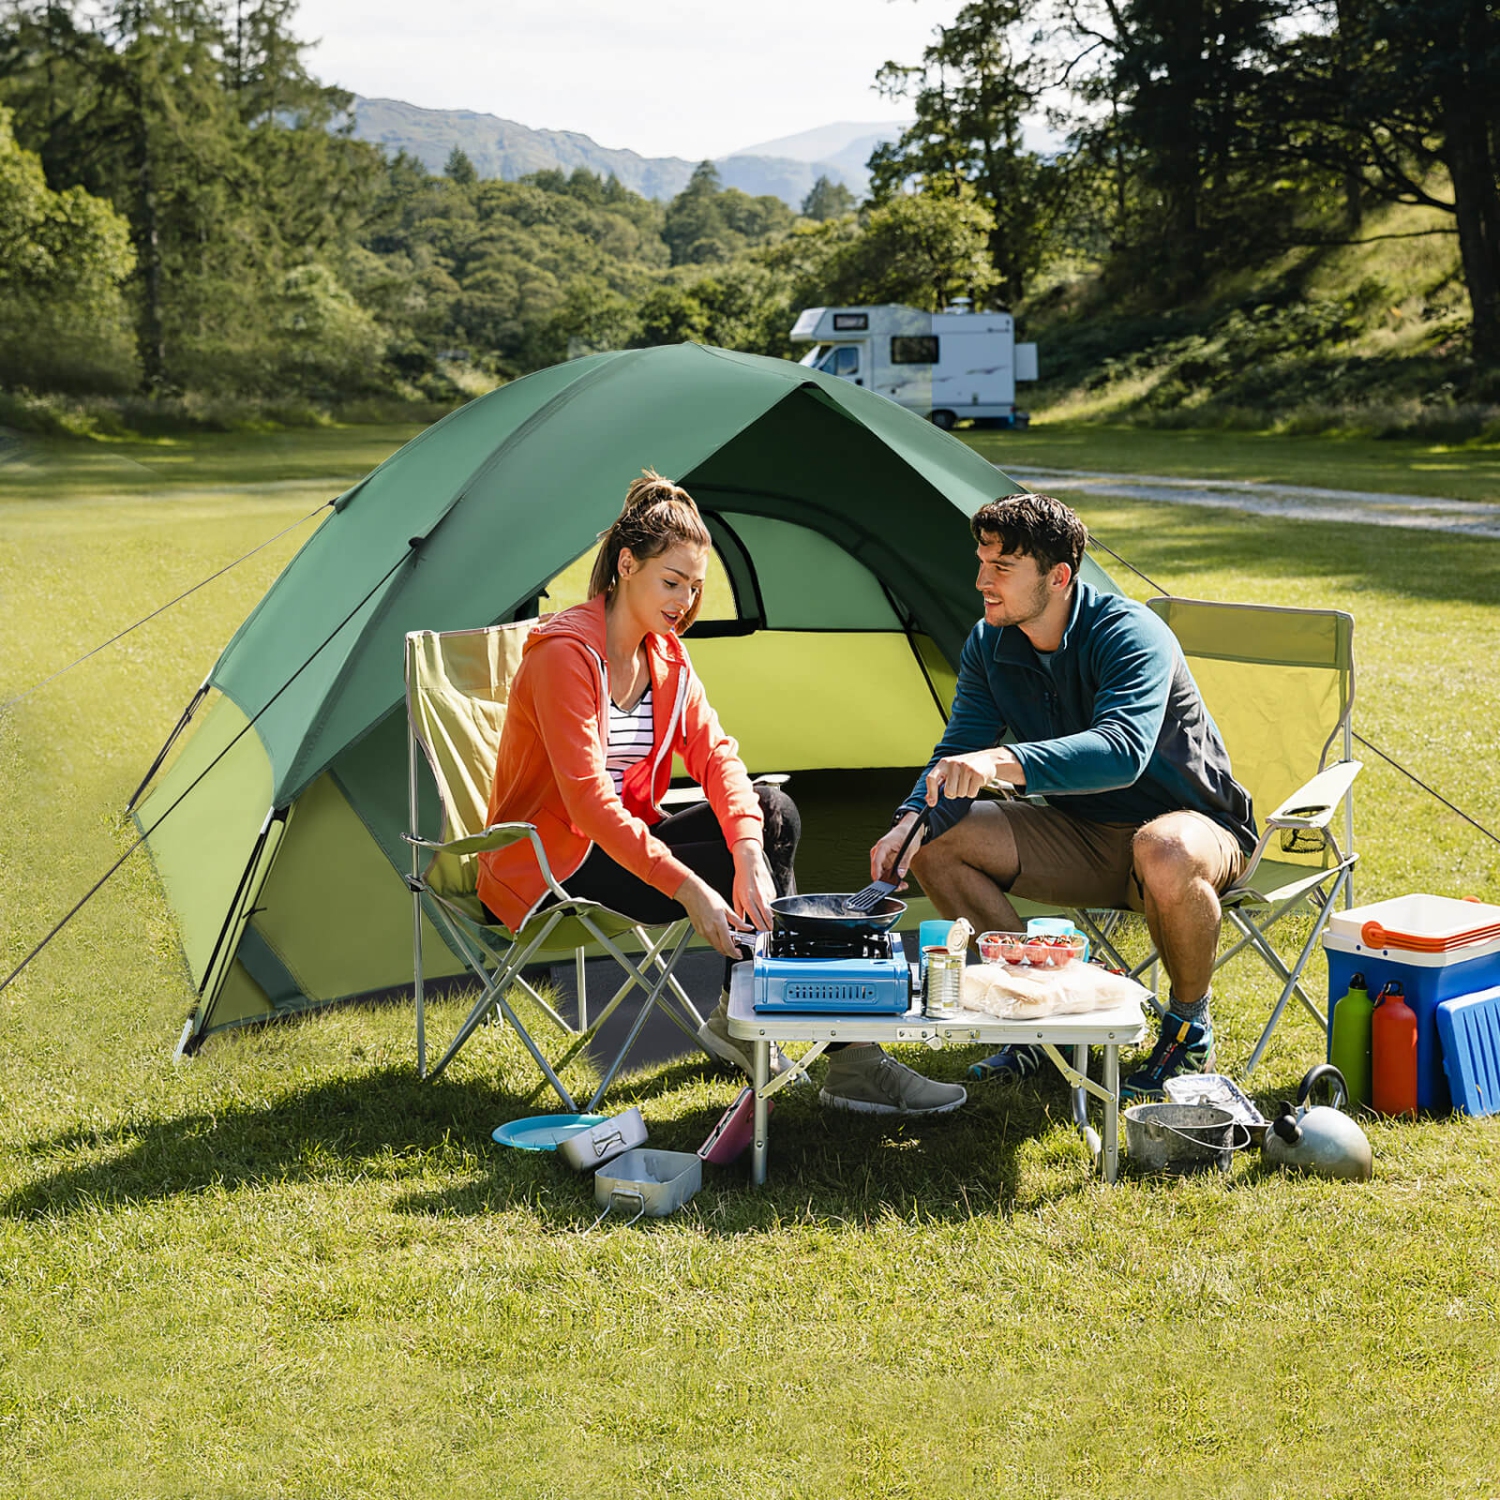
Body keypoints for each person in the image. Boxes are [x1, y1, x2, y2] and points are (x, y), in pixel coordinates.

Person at [479, 470, 965, 1116]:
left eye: (696, 587)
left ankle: (769, 1017)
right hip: (550, 861)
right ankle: (817, 1043)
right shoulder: (563, 656)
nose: (684, 600)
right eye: (671, 582)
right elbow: (589, 804)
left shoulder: (667, 659)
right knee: (725, 853)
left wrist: (746, 852)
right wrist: (690, 886)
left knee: (774, 813)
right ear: (627, 565)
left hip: (624, 844)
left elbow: (718, 756)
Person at [867, 492, 1257, 1099]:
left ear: (1058, 576)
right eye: (981, 563)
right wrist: (910, 819)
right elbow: (958, 747)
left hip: (1192, 831)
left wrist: (1005, 760)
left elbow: (1122, 750)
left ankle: (1187, 1028)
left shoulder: (1130, 632)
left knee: (1163, 847)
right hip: (1082, 836)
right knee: (935, 845)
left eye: (1001, 569)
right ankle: (1041, 1028)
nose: (981, 583)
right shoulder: (990, 643)